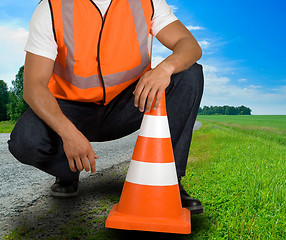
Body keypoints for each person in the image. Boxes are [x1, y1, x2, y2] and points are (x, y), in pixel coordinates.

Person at [8, 0, 204, 215]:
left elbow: (189, 45)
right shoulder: (52, 7)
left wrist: (165, 68)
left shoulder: (146, 2)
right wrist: (68, 133)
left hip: (129, 102)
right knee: (25, 141)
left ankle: (169, 182)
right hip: (71, 110)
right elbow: (33, 86)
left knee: (189, 74)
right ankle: (68, 171)